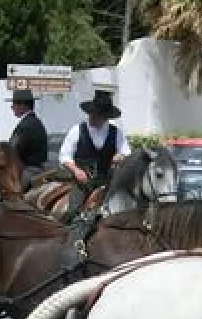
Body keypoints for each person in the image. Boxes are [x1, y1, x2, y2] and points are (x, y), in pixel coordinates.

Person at [59, 90, 130, 220]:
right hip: (83, 182)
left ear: (105, 117)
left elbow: (126, 153)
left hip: (108, 181)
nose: (91, 117)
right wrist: (76, 171)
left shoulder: (116, 133)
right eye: (91, 113)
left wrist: (120, 157)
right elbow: (65, 156)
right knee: (73, 211)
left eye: (96, 115)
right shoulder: (77, 130)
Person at [7, 88, 48, 187]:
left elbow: (12, 151)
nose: (12, 107)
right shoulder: (35, 121)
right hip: (39, 169)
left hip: (28, 171)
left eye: (14, 104)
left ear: (22, 105)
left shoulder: (24, 126)